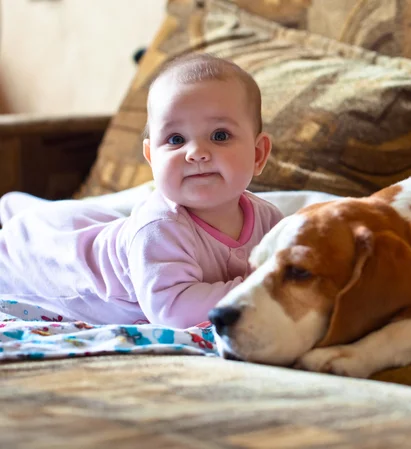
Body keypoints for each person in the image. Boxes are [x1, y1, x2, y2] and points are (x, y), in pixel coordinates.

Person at [0, 53, 283, 328]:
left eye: (219, 135)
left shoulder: (270, 220)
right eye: (176, 139)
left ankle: (17, 206)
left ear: (258, 154)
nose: (196, 152)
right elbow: (173, 311)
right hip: (53, 266)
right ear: (151, 157)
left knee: (84, 220)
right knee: (32, 235)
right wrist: (256, 286)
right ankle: (15, 212)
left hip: (100, 229)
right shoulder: (159, 228)